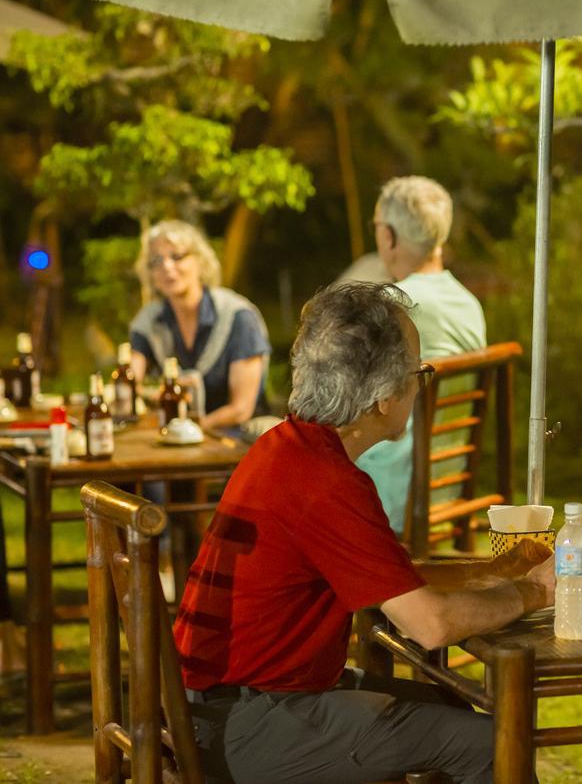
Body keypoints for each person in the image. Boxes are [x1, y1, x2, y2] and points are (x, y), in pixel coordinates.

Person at [174, 281, 554, 783]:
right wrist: (534, 592)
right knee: (491, 742)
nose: (421, 386)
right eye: (420, 373)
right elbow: (430, 625)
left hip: (216, 705)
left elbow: (392, 580)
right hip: (245, 724)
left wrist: (493, 571)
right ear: (381, 398)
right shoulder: (328, 484)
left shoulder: (286, 447)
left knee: (449, 704)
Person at [356, 176, 487, 533]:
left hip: (395, 486)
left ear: (390, 236)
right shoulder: (469, 303)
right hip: (448, 480)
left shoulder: (393, 303)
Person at [129, 220, 271, 433]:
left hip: (238, 439)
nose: (167, 267)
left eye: (177, 256)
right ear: (149, 274)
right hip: (178, 438)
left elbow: (241, 409)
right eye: (156, 260)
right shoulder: (149, 320)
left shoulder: (238, 317)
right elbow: (129, 384)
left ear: (200, 262)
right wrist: (151, 394)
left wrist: (190, 428)